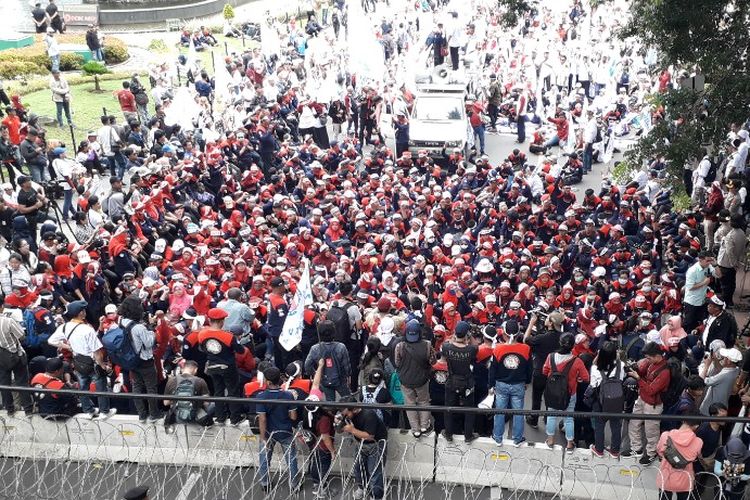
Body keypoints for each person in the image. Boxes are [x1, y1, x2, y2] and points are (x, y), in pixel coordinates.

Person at [47, 300, 115, 419]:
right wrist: (103, 366)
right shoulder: (87, 329)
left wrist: (68, 347)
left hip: (78, 361)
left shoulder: (64, 327)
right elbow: (97, 352)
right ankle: (104, 411)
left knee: (83, 388)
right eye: (83, 311)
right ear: (81, 313)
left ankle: (88, 410)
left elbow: (51, 341)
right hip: (92, 362)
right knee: (101, 387)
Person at [197, 307, 246, 425]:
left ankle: (220, 417)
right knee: (232, 391)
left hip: (212, 366)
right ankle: (235, 418)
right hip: (228, 367)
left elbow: (201, 349)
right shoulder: (228, 336)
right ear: (221, 321)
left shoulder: (202, 334)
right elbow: (241, 351)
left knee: (218, 391)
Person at [542, 332, 589, 452]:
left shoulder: (550, 357)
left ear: (560, 343)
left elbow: (545, 371)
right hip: (569, 393)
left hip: (552, 392)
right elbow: (586, 378)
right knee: (569, 418)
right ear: (573, 346)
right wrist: (576, 378)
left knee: (551, 416)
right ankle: (569, 443)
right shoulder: (577, 361)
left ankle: (551, 440)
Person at [626, 341, 671, 464]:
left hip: (653, 404)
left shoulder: (665, 372)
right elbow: (643, 372)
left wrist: (638, 378)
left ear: (657, 356)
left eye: (648, 358)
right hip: (642, 399)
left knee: (651, 431)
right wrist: (636, 370)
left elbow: (651, 390)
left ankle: (651, 453)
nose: (647, 360)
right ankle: (636, 448)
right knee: (634, 424)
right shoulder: (650, 363)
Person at [118, 295, 161, 423]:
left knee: (136, 387)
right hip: (145, 361)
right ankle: (154, 414)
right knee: (151, 388)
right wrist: (152, 327)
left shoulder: (121, 322)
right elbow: (149, 342)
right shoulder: (139, 327)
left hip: (131, 360)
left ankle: (142, 415)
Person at [257, 366, 300, 493]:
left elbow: (262, 419)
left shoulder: (261, 397)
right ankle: (294, 485)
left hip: (269, 432)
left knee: (264, 458)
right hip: (285, 431)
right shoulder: (288, 395)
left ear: (268, 382)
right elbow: (293, 416)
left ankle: (265, 483)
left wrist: (262, 436)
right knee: (291, 459)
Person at [490, 320, 532, 447]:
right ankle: (517, 438)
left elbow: (493, 369)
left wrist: (491, 385)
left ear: (504, 333)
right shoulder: (526, 348)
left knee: (499, 411)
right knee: (518, 412)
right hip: (518, 384)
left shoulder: (498, 348)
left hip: (501, 384)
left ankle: (497, 437)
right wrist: (527, 382)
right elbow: (530, 368)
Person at [339, 396, 388, 500]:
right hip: (360, 444)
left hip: (375, 444)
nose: (345, 416)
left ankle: (376, 496)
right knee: (359, 469)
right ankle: (362, 488)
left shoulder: (369, 414)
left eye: (346, 413)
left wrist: (352, 430)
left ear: (354, 409)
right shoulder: (348, 416)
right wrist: (339, 422)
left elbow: (370, 436)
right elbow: (339, 430)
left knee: (374, 472)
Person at [396, 319, 435, 438]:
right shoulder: (427, 345)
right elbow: (433, 361)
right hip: (422, 380)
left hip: (406, 380)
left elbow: (397, 363)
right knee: (424, 401)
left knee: (410, 403)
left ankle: (415, 429)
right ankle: (424, 426)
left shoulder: (400, 346)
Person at [588, 340, 625, 458]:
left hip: (601, 402)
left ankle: (599, 449)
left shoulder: (595, 368)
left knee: (599, 425)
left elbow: (593, 385)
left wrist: (598, 356)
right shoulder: (621, 365)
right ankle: (615, 450)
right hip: (616, 400)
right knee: (616, 426)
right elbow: (622, 378)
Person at [656, 411, 703, 500]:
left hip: (666, 478)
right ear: (696, 426)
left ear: (683, 421)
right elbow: (697, 457)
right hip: (685, 480)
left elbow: (660, 452)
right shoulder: (698, 442)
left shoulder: (665, 435)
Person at [304, 319, 351, 401]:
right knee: (348, 400)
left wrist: (316, 374)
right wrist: (348, 376)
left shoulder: (315, 349)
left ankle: (332, 412)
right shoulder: (341, 347)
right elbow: (346, 366)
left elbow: (307, 366)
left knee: (330, 401)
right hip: (340, 379)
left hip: (324, 379)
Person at [0, 303, 33, 415]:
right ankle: (28, 409)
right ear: (1, 307)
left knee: (4, 383)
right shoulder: (7, 320)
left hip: (1, 358)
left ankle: (9, 409)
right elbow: (21, 335)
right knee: (22, 382)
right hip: (15, 355)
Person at [163, 359, 212, 425]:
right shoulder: (200, 381)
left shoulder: (171, 381)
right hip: (195, 416)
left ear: (182, 369)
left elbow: (166, 403)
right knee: (214, 405)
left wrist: (178, 400)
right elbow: (206, 403)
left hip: (178, 416)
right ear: (195, 369)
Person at [715, 215, 745, 308]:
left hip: (726, 263)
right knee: (731, 283)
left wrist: (733, 264)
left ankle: (724, 303)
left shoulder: (731, 236)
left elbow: (729, 252)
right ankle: (729, 302)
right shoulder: (742, 233)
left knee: (725, 285)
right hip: (732, 263)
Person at [683, 252, 715, 332]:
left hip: (702, 300)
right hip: (692, 302)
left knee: (699, 323)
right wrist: (704, 283)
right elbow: (690, 287)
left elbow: (719, 275)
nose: (709, 263)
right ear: (700, 260)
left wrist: (716, 265)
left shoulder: (708, 266)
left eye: (710, 261)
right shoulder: (692, 271)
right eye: (707, 261)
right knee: (689, 324)